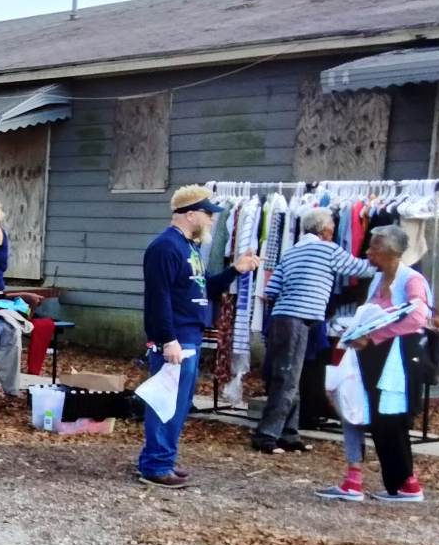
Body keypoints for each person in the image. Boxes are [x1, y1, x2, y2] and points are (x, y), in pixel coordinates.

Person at [136, 186, 260, 489]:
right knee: (166, 403)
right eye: (207, 213)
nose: (211, 220)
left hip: (189, 334)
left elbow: (204, 288)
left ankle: (162, 459)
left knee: (179, 404)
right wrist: (168, 339)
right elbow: (158, 298)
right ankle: (156, 465)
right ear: (190, 214)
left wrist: (235, 270)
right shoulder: (165, 247)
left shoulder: (188, 247)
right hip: (176, 337)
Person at [319, 224, 431, 504]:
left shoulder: (412, 280)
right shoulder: (377, 280)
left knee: (390, 418)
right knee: (360, 410)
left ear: (392, 251)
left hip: (398, 358)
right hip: (370, 355)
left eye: (374, 247)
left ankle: (406, 483)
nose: (368, 252)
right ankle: (364, 479)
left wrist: (375, 336)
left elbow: (418, 317)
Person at [253, 207, 371, 454]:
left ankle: (288, 433)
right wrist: (383, 262)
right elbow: (358, 268)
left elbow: (271, 289)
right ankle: (267, 435)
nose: (333, 232)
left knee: (290, 377)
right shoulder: (327, 249)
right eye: (332, 228)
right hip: (299, 319)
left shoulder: (291, 251)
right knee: (287, 379)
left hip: (281, 318)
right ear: (325, 229)